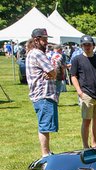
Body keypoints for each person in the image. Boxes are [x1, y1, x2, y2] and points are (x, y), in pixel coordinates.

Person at [70, 35, 96, 149]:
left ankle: (94, 144)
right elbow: (73, 76)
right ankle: (85, 146)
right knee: (86, 121)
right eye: (85, 45)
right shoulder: (77, 59)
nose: (87, 47)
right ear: (81, 46)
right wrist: (79, 92)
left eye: (89, 45)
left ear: (93, 46)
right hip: (86, 94)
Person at [25, 28, 58, 157]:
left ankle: (47, 151)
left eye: (47, 39)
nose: (46, 42)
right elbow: (53, 72)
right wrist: (51, 72)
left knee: (44, 124)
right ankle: (45, 153)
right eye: (44, 40)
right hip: (44, 94)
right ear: (36, 40)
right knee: (44, 126)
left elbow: (51, 73)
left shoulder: (30, 53)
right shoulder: (38, 53)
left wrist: (50, 73)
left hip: (38, 95)